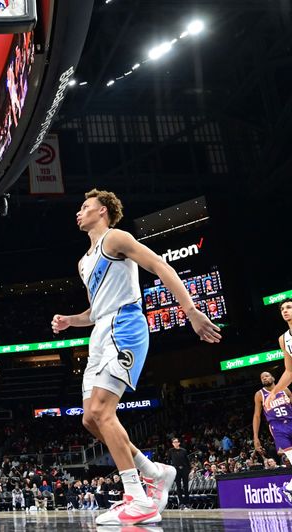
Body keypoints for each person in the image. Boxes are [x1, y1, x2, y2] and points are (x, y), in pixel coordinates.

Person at [51, 189, 221, 526]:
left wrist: (191, 310)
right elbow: (95, 310)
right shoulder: (84, 262)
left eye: (85, 207)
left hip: (125, 324)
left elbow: (158, 265)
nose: (78, 213)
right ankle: (152, 472)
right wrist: (72, 320)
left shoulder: (115, 238)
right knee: (89, 419)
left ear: (103, 211)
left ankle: (137, 497)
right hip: (100, 332)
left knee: (102, 410)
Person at [254, 371, 292, 466]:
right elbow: (257, 416)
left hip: (290, 421)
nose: (264, 378)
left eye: (266, 376)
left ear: (273, 378)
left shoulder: (285, 389)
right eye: (262, 378)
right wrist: (255, 436)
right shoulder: (260, 394)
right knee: (288, 457)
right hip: (277, 427)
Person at [266, 299, 292, 414]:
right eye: (282, 309)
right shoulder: (283, 339)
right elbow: (290, 372)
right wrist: (274, 392)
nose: (285, 311)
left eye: (289, 307)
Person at [167, 438, 191, 509]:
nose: (175, 443)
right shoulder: (171, 451)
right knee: (178, 487)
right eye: (174, 442)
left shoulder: (184, 451)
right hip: (176, 470)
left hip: (184, 469)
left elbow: (187, 461)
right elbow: (168, 461)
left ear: (179, 443)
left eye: (176, 442)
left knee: (186, 487)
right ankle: (181, 503)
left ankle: (187, 503)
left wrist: (188, 470)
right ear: (172, 444)